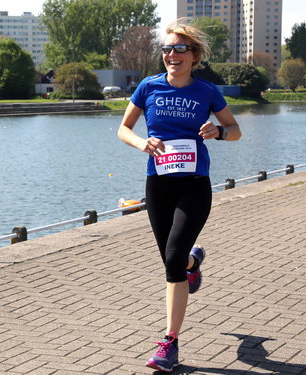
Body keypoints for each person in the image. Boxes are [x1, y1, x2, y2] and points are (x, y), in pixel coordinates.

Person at [117, 18, 241, 372]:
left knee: (172, 257)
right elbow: (124, 128)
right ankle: (193, 264)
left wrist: (218, 131)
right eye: (167, 49)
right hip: (159, 185)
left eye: (180, 49)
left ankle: (169, 343)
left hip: (194, 186)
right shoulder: (148, 87)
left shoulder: (206, 92)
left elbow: (236, 130)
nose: (172, 55)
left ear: (194, 55)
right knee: (173, 260)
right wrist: (144, 142)